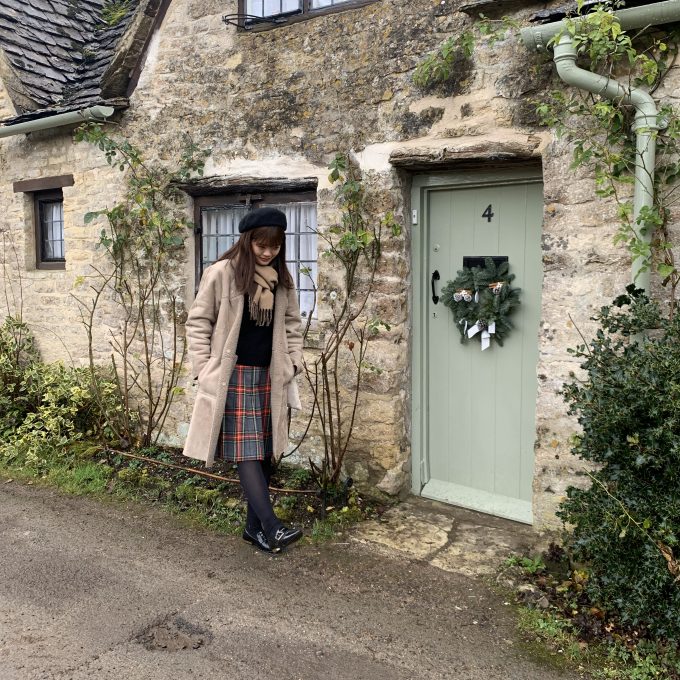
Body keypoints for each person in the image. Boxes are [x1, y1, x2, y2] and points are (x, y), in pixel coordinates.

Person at [182, 207, 304, 554]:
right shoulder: (222, 273)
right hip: (232, 377)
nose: (267, 252)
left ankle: (253, 530)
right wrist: (203, 369)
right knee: (247, 453)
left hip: (270, 376)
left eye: (274, 247)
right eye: (261, 245)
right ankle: (272, 526)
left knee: (264, 453)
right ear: (248, 241)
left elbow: (292, 325)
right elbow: (198, 322)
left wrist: (293, 364)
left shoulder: (282, 280)